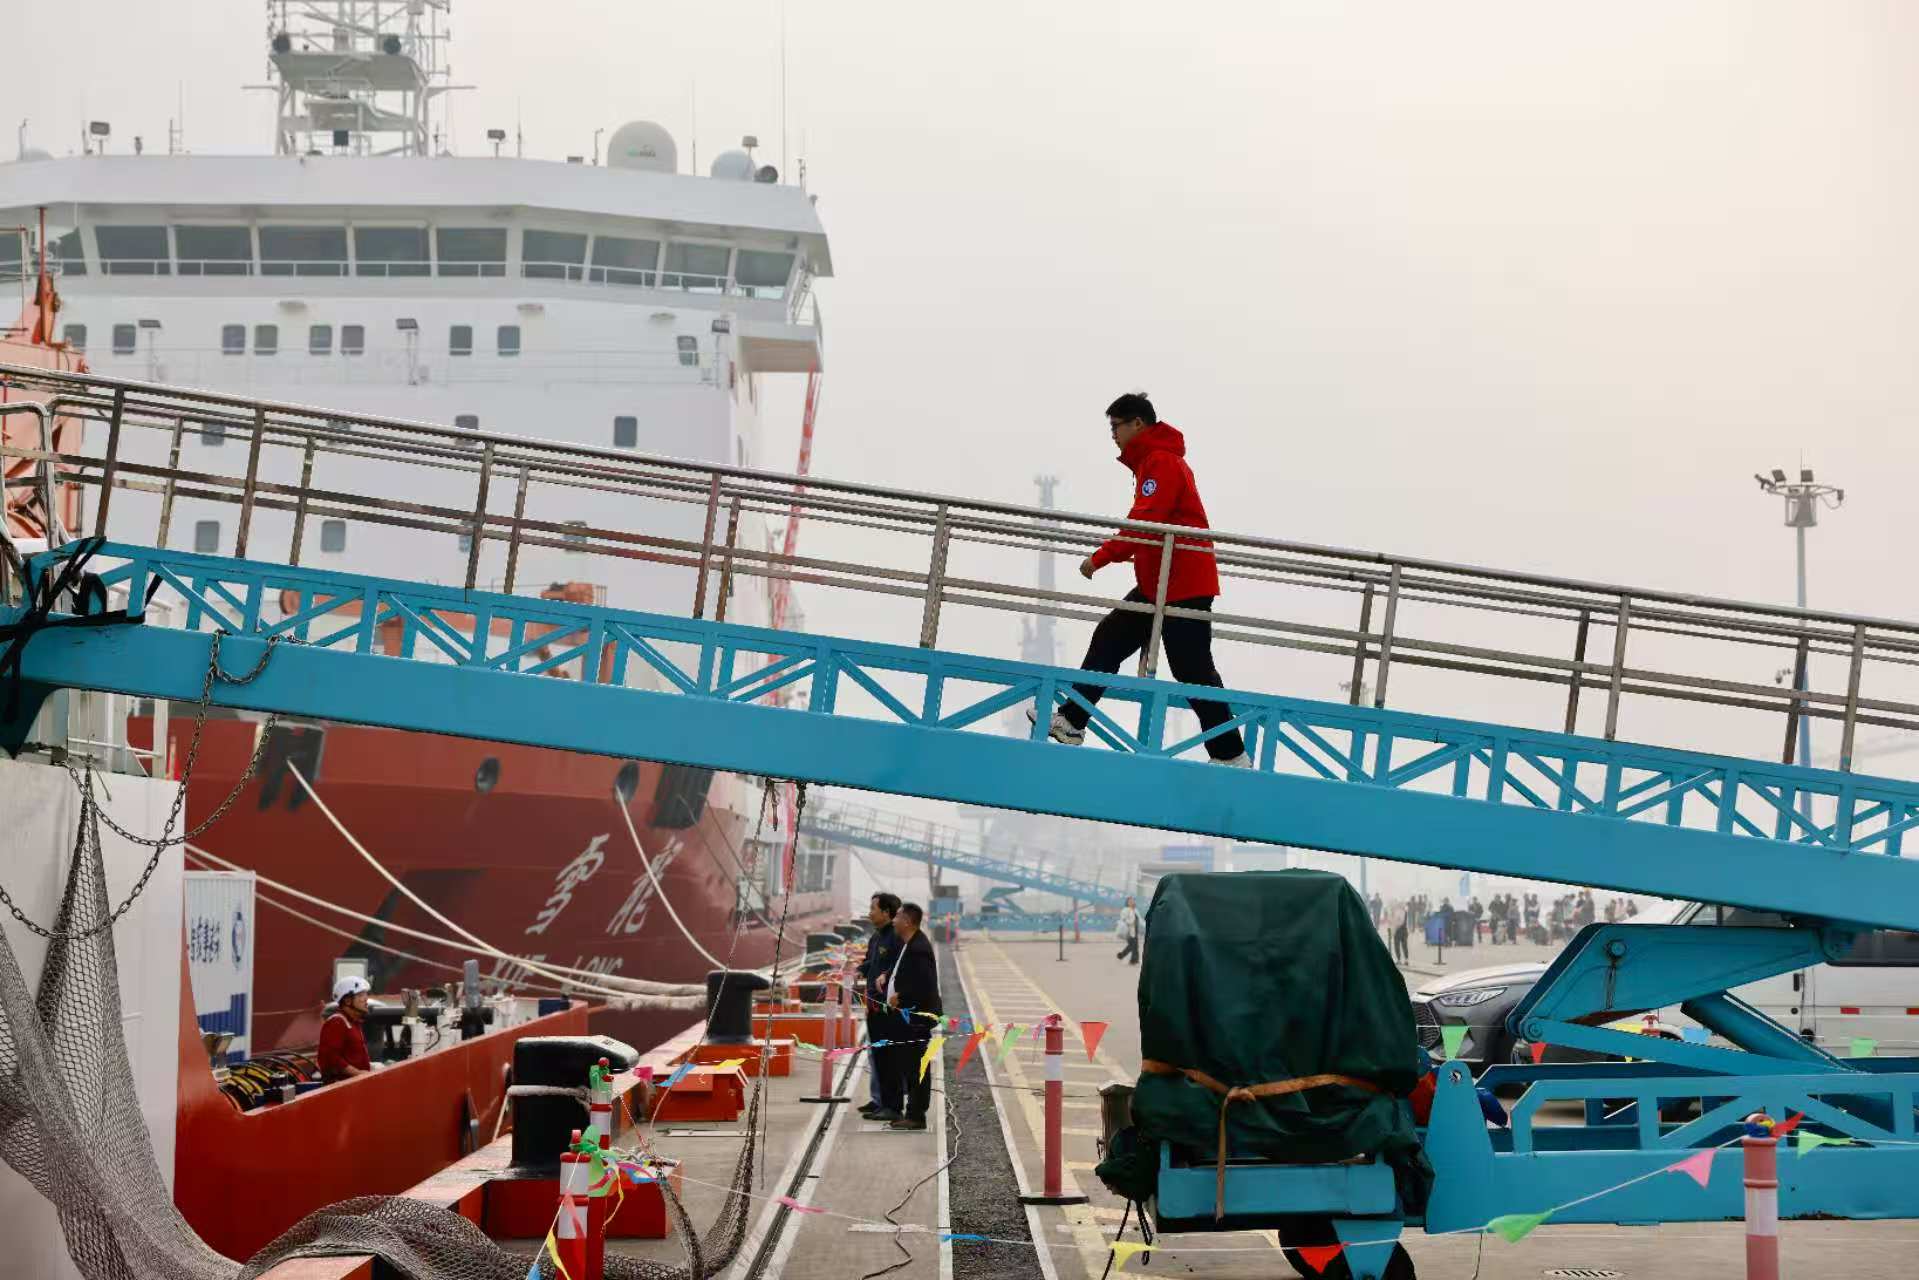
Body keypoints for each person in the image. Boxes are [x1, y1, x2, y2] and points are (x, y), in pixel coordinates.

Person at [1030, 393, 1250, 767]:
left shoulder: (1161, 462)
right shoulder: (1154, 462)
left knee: (1192, 668)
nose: (1113, 435)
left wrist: (1100, 558)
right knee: (1110, 638)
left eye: (1116, 427)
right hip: (1160, 585)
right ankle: (1071, 721)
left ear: (1137, 424)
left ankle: (1231, 754)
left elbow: (1145, 524)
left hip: (1180, 585)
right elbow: (1148, 526)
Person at [883, 903, 943, 1132]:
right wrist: (887, 977)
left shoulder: (919, 948)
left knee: (916, 1066)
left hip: (916, 1019)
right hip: (907, 1017)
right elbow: (905, 972)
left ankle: (916, 1116)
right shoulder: (911, 943)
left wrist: (901, 996)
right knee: (909, 1065)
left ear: (907, 921)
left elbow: (924, 985)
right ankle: (912, 1112)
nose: (893, 920)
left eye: (897, 916)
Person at [858, 892, 904, 1122]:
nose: (869, 913)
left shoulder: (896, 937)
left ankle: (893, 1106)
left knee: (889, 1059)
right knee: (878, 1057)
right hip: (874, 1006)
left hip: (889, 1009)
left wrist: (886, 975)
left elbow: (901, 967)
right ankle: (881, 1102)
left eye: (873, 909)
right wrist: (857, 969)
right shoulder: (876, 936)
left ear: (886, 912)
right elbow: (871, 963)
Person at [318, 975, 373, 1083]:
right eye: (361, 995)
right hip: (342, 1088)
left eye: (366, 994)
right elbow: (331, 1057)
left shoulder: (353, 1023)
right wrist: (358, 1074)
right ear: (348, 1001)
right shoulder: (337, 1022)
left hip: (355, 1085)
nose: (366, 999)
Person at [1114, 896, 1142, 965]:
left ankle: (1131, 959)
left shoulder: (1135, 910)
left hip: (1135, 929)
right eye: (1130, 901)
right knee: (1133, 945)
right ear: (1127, 902)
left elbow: (1139, 919)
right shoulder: (1125, 910)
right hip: (1129, 930)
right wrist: (1130, 922)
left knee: (1134, 945)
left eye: (1132, 901)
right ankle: (1131, 959)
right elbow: (1123, 919)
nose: (1132, 902)